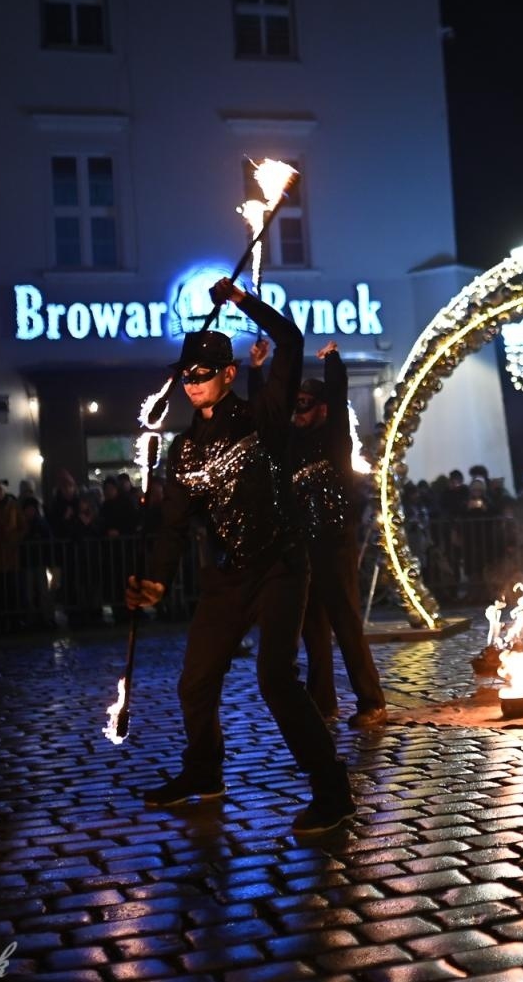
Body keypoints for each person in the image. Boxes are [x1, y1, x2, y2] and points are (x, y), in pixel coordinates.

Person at [124, 277, 353, 833]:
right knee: (195, 681)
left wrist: (241, 301)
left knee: (276, 678)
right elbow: (174, 527)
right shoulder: (183, 451)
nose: (194, 383)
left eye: (204, 373)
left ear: (228, 374)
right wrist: (154, 580)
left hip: (280, 564)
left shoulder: (264, 417)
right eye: (187, 375)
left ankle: (333, 791)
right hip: (226, 577)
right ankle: (204, 772)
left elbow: (292, 342)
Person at [250, 336, 388, 728]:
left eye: (305, 405)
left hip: (335, 543)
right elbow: (266, 418)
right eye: (297, 405)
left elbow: (339, 397)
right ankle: (322, 702)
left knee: (345, 622)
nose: (298, 411)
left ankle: (371, 700)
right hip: (303, 545)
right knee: (312, 627)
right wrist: (257, 371)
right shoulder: (292, 442)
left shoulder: (334, 440)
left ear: (323, 408)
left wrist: (333, 362)